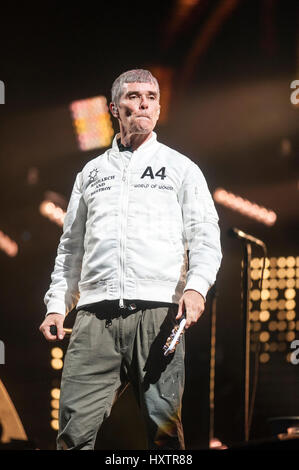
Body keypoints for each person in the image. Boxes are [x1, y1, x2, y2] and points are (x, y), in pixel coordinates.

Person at [39, 69, 222, 450]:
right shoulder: (91, 173)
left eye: (152, 97)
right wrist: (58, 305)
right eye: (134, 96)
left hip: (159, 315)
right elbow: (71, 248)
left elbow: (205, 236)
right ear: (113, 109)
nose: (143, 102)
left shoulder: (181, 168)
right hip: (93, 318)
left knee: (164, 434)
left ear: (158, 108)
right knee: (72, 436)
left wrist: (197, 288)